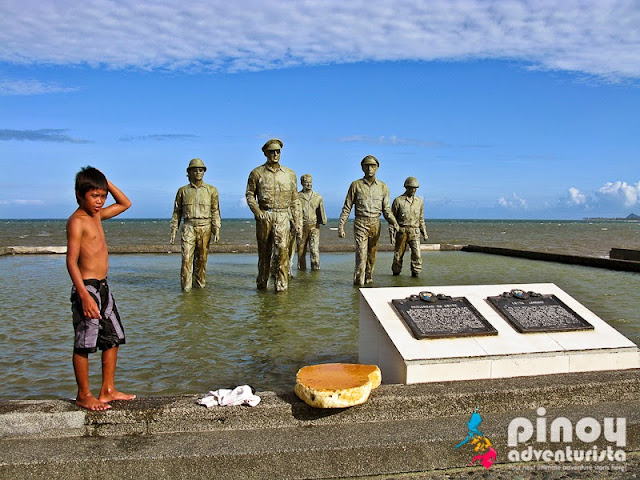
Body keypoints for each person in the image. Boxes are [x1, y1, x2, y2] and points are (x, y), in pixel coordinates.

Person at [66, 166, 135, 411]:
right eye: (94, 196)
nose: (99, 201)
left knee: (113, 337)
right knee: (84, 342)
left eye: (102, 196)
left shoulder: (97, 216)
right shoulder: (77, 221)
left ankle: (107, 390)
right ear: (79, 195)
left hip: (104, 287)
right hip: (87, 288)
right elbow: (71, 261)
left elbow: (125, 203)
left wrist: (106, 181)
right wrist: (83, 295)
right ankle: (84, 394)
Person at [246, 138, 301, 292]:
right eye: (272, 152)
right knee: (264, 254)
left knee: (282, 253)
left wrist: (298, 223)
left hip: (283, 216)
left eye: (278, 151)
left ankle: (281, 288)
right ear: (265, 153)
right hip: (265, 216)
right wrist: (257, 212)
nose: (275, 154)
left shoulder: (290, 174)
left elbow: (295, 200)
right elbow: (250, 195)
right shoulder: (257, 173)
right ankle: (262, 286)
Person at [338, 155, 399, 286]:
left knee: (372, 256)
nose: (370, 168)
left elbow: (387, 210)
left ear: (377, 168)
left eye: (372, 166)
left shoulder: (383, 187)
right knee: (361, 256)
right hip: (360, 223)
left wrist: (394, 222)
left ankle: (369, 279)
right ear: (362, 168)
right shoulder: (355, 185)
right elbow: (347, 207)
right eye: (367, 166)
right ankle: (358, 284)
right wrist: (341, 226)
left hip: (376, 224)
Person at [170, 158, 221, 292]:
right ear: (189, 172)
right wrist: (174, 229)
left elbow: (215, 211)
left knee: (202, 259)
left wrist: (216, 228)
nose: (198, 172)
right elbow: (177, 212)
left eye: (201, 170)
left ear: (204, 172)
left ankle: (200, 288)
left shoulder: (212, 190)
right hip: (188, 226)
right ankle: (186, 289)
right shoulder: (182, 191)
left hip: (205, 226)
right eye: (195, 170)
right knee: (186, 258)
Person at [391, 177, 428, 277]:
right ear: (406, 187)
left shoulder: (419, 202)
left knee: (417, 254)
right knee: (398, 255)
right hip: (402, 231)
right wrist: (391, 235)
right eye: (411, 188)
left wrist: (424, 232)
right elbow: (392, 220)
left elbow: (421, 219)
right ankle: (396, 274)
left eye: (415, 188)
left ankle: (416, 274)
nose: (413, 190)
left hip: (414, 231)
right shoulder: (398, 201)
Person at [296, 174, 327, 270]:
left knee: (314, 252)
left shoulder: (318, 197)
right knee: (301, 253)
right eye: (306, 182)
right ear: (302, 183)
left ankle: (315, 273)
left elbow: (321, 212)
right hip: (301, 227)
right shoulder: (297, 196)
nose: (309, 184)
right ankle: (302, 275)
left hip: (314, 227)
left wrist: (323, 221)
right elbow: (293, 212)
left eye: (310, 182)